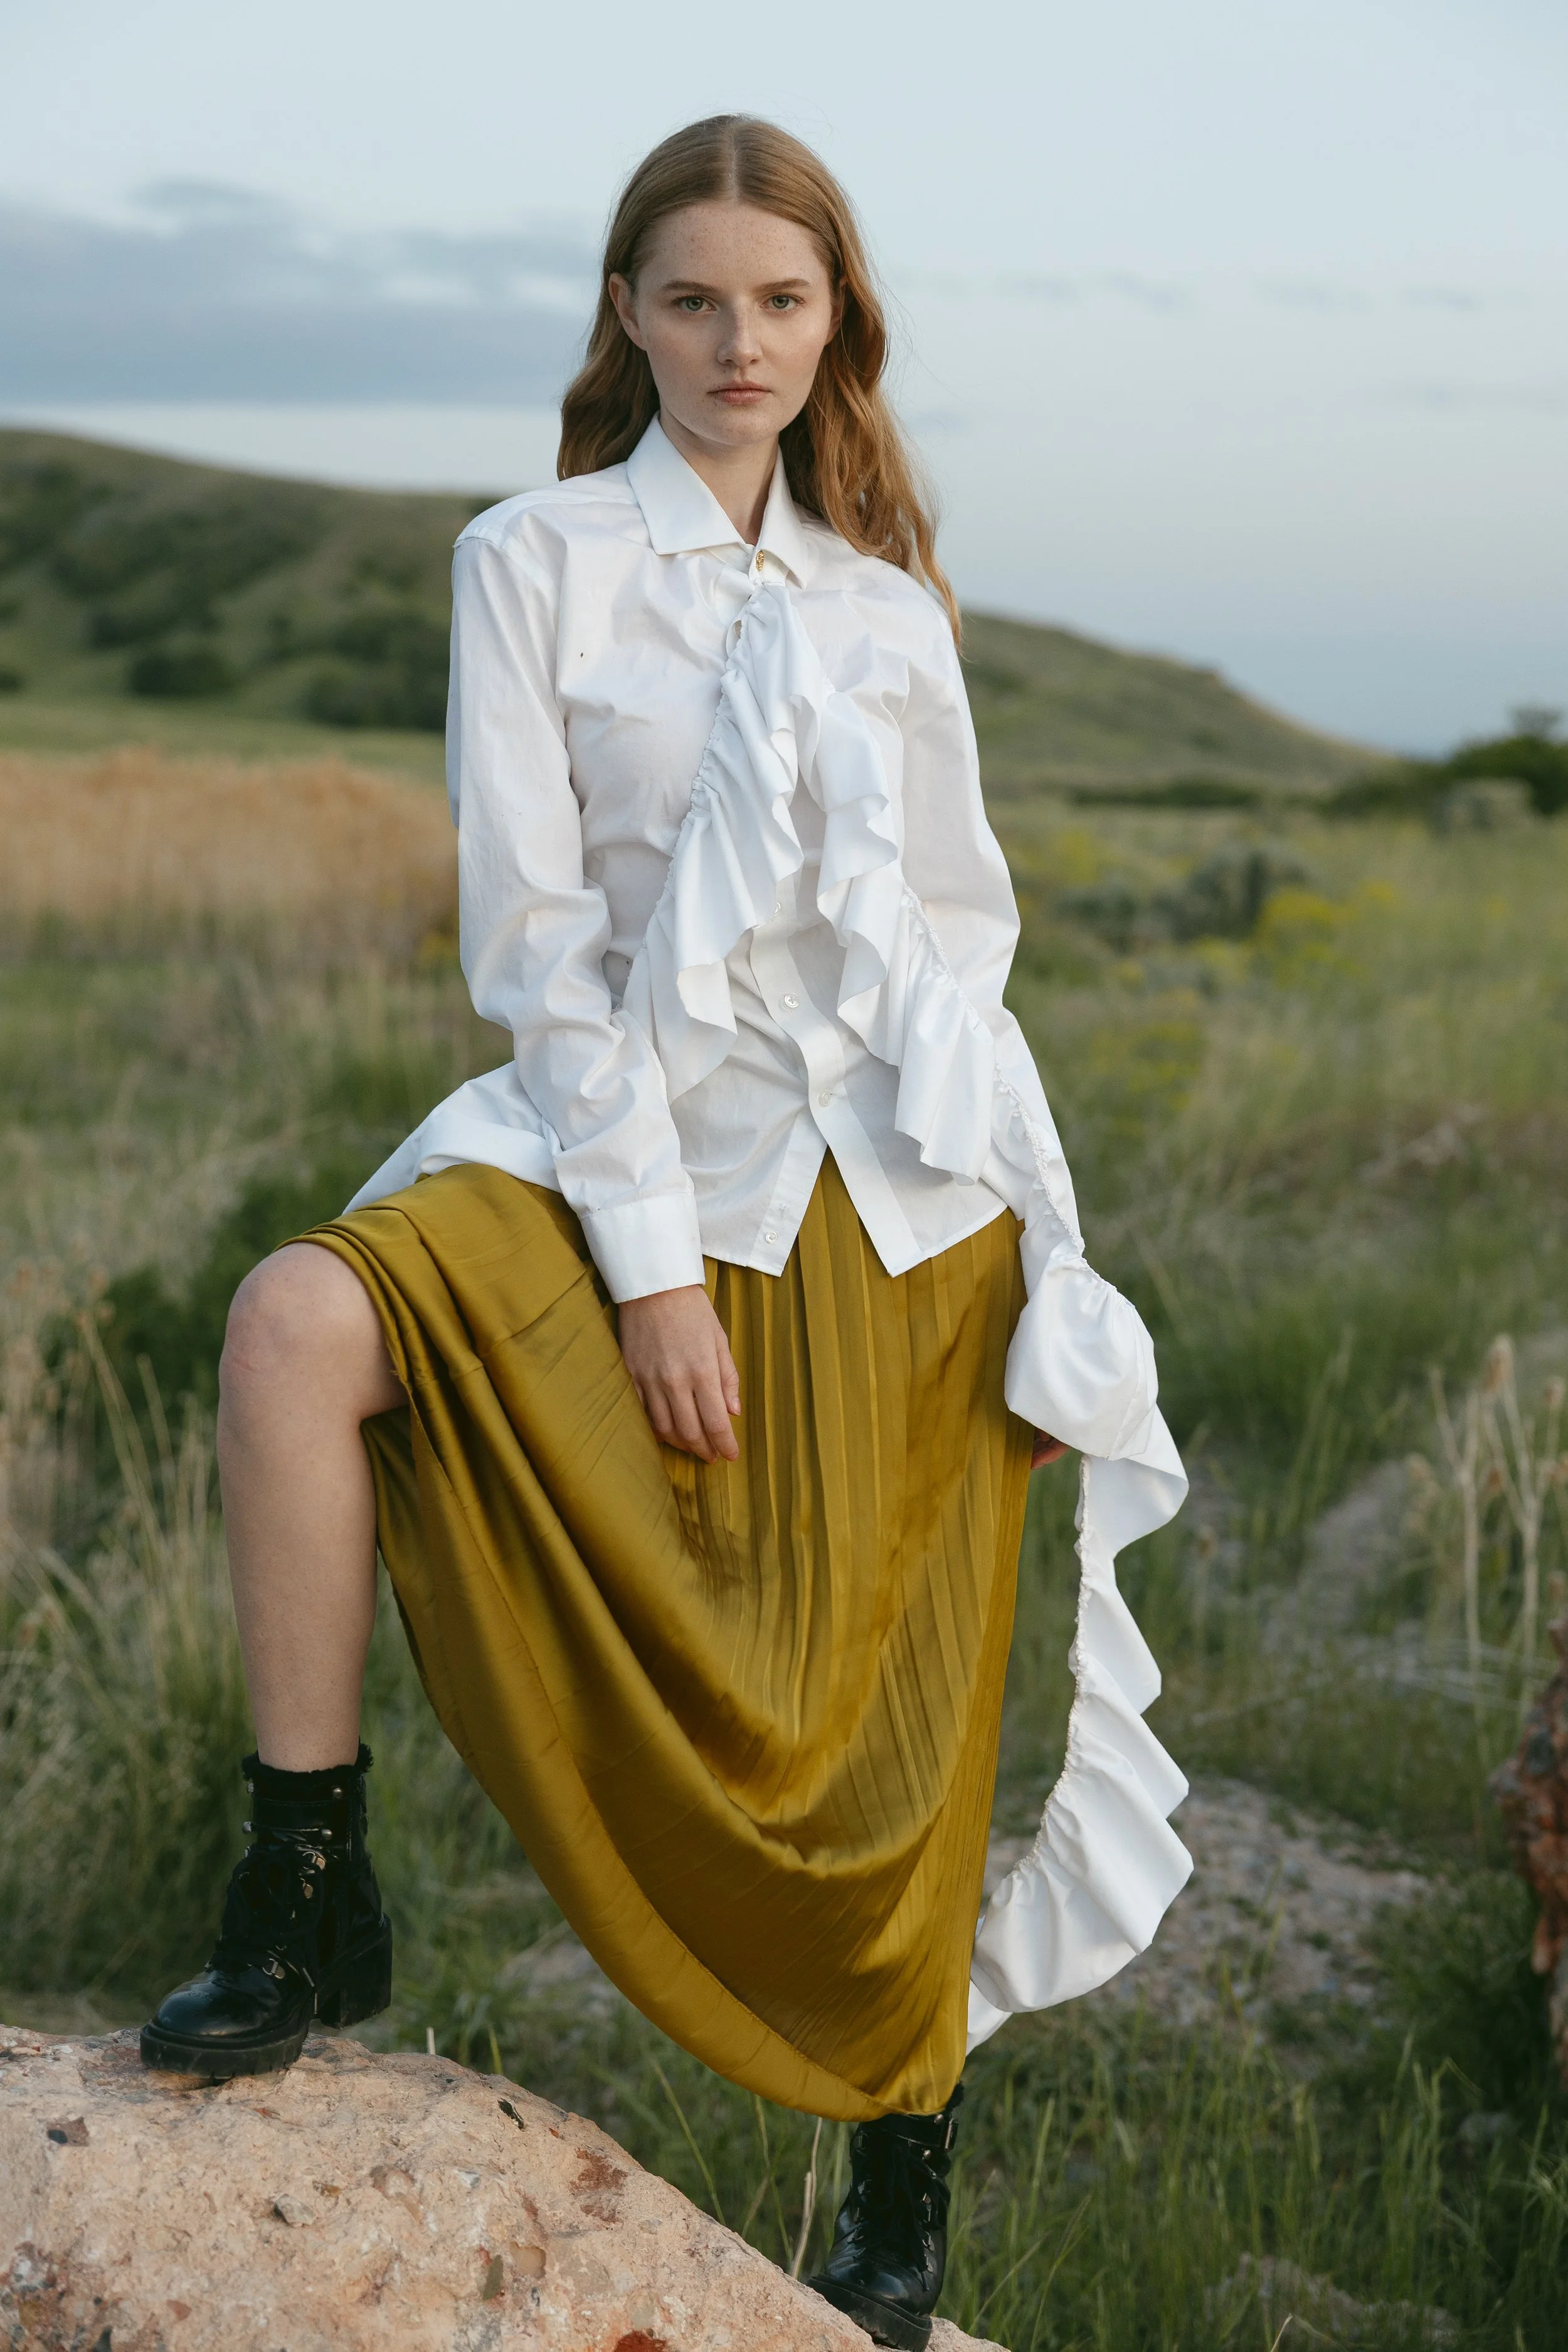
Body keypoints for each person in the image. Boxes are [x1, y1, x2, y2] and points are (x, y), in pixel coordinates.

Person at [139, 115, 1190, 2350]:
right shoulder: (527, 560)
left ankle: (901, 2167)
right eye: (694, 298)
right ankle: (304, 1881)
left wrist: (1002, 1217)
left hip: (895, 1173)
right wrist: (638, 1268)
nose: (739, 343)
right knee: (297, 1325)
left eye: (782, 304)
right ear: (625, 308)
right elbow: (530, 946)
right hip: (614, 1139)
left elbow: (953, 934)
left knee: (908, 1682)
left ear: (837, 328)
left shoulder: (892, 608)